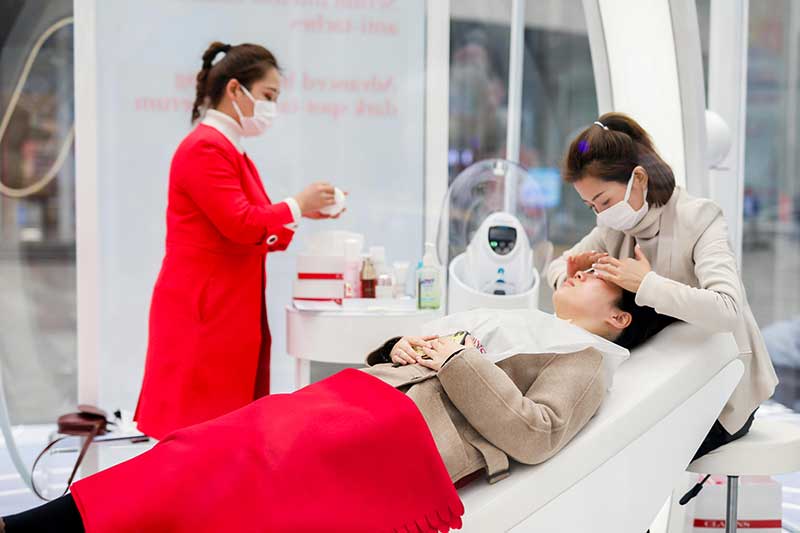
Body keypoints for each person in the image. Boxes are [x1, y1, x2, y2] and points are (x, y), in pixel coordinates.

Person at [2, 269, 675, 532]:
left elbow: (536, 433)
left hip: (389, 441)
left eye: (598, 276)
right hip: (354, 402)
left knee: (208, 471)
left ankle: (40, 529)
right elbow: (422, 356)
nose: (580, 269)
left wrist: (453, 355)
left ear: (620, 318)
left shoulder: (586, 361)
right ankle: (48, 524)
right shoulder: (522, 321)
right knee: (196, 450)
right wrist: (403, 346)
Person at [133, 42, 344, 440]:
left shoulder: (230, 150)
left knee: (222, 429)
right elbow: (242, 224)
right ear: (234, 89)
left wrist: (302, 211)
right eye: (268, 96)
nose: (271, 108)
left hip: (225, 308)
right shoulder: (206, 148)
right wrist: (297, 204)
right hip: (204, 311)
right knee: (200, 430)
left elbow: (259, 228)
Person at [547, 112, 778, 460]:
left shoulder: (700, 219)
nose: (600, 213)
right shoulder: (613, 227)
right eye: (590, 205)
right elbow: (554, 268)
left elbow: (727, 309)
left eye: (604, 201)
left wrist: (646, 284)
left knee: (632, 458)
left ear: (638, 178)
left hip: (721, 390)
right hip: (659, 382)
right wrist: (569, 273)